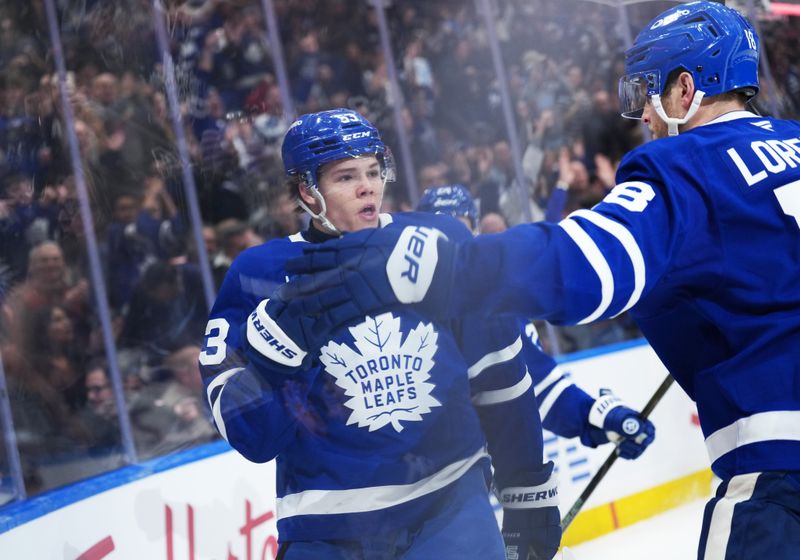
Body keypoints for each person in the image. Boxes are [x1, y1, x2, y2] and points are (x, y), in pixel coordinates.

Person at [281, 4, 800, 558]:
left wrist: (441, 268)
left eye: (646, 93)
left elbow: (581, 266)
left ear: (686, 88)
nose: (643, 117)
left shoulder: (686, 165)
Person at [199, 109, 560, 559]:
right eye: (346, 177)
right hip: (325, 526)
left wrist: (526, 486)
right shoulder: (260, 273)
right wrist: (279, 353)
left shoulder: (432, 242)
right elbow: (251, 437)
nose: (368, 186)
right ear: (307, 191)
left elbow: (500, 377)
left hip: (449, 505)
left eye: (373, 171)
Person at [417, 184, 655, 460]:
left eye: (460, 230)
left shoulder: (494, 311)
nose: (453, 242)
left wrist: (596, 416)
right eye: (442, 232)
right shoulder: (393, 307)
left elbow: (537, 385)